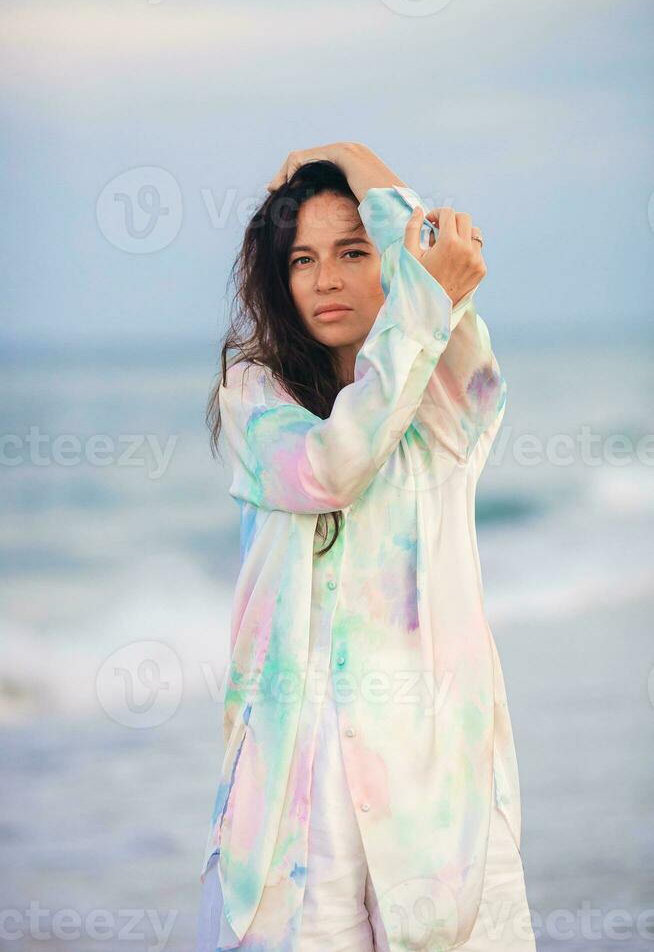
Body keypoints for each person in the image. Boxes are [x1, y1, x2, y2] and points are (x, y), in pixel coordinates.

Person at [196, 142, 536, 951]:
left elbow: (433, 254)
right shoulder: (253, 398)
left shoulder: (451, 398)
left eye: (354, 252)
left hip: (429, 779)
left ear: (391, 264)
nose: (326, 279)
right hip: (291, 789)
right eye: (303, 259)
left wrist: (353, 158)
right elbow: (332, 467)